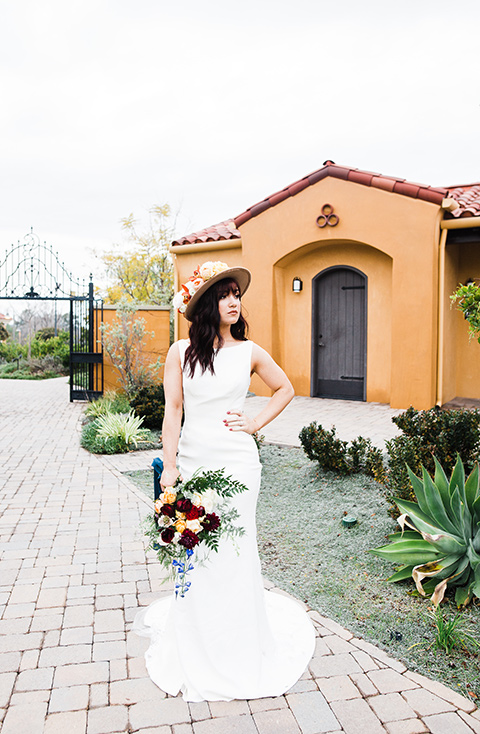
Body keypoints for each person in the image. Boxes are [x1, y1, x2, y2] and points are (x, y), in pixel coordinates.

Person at [133, 261, 315, 702]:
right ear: (205, 305)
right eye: (224, 294)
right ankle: (199, 637)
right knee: (196, 551)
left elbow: (286, 388)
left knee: (236, 548)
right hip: (194, 463)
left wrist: (254, 423)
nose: (234, 300)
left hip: (237, 465)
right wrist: (170, 466)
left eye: (236, 293)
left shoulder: (250, 351)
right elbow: (173, 410)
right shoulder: (180, 352)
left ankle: (239, 642)